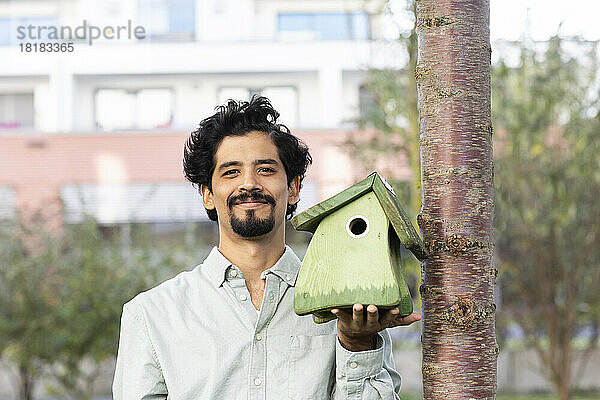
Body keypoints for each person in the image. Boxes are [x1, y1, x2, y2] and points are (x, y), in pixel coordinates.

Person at [112, 95, 421, 400]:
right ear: (208, 194)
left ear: (294, 188)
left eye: (266, 169)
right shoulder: (151, 315)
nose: (248, 183)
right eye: (231, 171)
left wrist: (356, 342)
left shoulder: (351, 305)